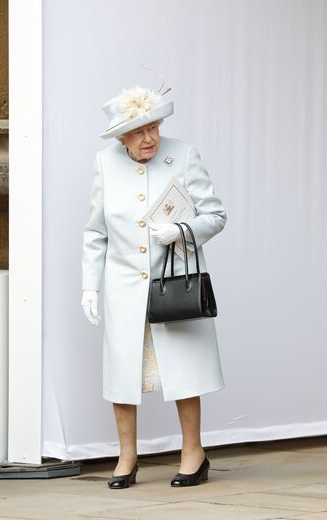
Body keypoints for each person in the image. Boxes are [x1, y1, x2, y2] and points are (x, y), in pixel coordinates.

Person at [81, 85, 226, 489]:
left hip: (173, 281)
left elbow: (215, 214)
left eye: (154, 127)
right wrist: (90, 286)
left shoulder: (183, 155)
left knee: (183, 370)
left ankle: (193, 453)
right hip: (123, 287)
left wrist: (182, 229)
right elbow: (96, 232)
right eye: (139, 131)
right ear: (121, 136)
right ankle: (127, 457)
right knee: (123, 374)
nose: (149, 139)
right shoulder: (105, 164)